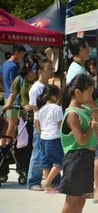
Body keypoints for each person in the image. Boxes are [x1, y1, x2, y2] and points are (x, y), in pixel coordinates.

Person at [66, 37, 98, 203]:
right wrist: (97, 110)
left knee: (94, 152)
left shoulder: (77, 68)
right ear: (81, 49)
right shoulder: (78, 71)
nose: (90, 51)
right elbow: (84, 96)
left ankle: (91, 189)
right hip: (87, 116)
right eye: (88, 47)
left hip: (86, 115)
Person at [55, 74, 98, 213]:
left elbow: (95, 120)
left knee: (80, 201)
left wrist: (95, 115)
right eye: (89, 93)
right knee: (71, 201)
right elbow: (80, 140)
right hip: (76, 157)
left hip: (86, 157)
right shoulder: (71, 114)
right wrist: (93, 126)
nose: (91, 96)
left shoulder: (84, 110)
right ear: (78, 92)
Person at [28, 56, 55, 190]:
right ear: (41, 72)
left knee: (48, 153)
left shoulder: (48, 87)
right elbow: (35, 108)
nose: (51, 72)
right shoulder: (36, 88)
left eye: (52, 69)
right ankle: (33, 181)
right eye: (48, 69)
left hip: (49, 126)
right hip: (40, 125)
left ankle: (50, 180)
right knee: (38, 152)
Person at [37, 85, 64, 193]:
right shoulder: (57, 108)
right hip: (55, 137)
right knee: (59, 162)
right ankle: (47, 183)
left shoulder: (41, 109)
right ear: (54, 96)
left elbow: (37, 124)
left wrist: (42, 132)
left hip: (43, 137)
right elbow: (60, 125)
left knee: (46, 162)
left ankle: (48, 186)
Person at [1, 45, 25, 147]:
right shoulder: (14, 67)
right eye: (22, 55)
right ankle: (7, 146)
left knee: (5, 124)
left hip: (5, 96)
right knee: (11, 124)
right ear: (17, 53)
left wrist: (3, 88)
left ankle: (2, 145)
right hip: (13, 99)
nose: (22, 58)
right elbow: (14, 84)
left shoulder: (5, 64)